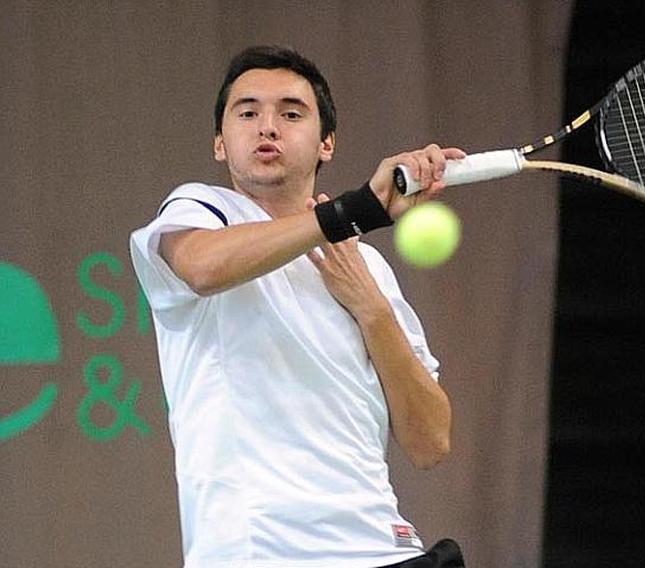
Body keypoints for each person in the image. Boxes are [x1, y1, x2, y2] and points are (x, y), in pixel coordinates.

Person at [130, 45, 466, 568]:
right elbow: (201, 267)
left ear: (325, 142)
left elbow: (430, 442)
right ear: (221, 144)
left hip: (384, 549)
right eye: (247, 112)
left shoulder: (369, 269)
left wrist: (372, 309)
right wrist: (352, 211)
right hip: (261, 552)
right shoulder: (202, 210)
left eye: (291, 113)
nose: (267, 126)